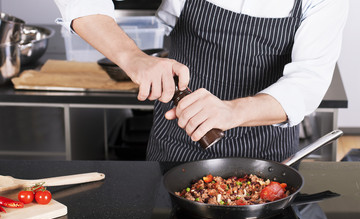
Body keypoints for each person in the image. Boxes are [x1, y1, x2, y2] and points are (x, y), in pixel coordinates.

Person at [54, 0, 348, 162]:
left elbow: (309, 80)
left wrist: (232, 112)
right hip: (175, 150)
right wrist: (132, 56)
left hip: (267, 162)